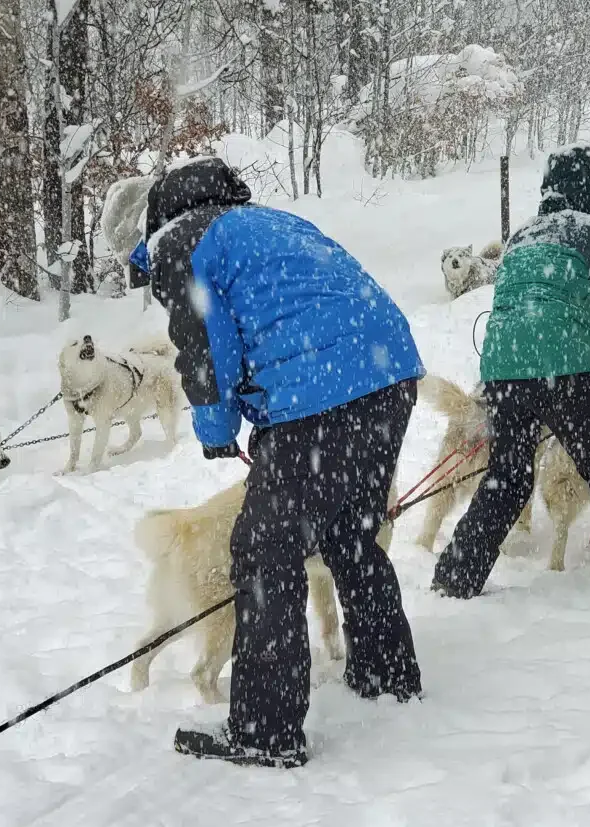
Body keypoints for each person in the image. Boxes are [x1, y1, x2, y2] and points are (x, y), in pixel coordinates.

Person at [132, 157, 425, 769]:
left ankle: (266, 730)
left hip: (318, 390)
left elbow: (207, 345)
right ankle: (387, 674)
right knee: (351, 533)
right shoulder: (269, 223)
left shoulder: (183, 240)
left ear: (162, 214)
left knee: (265, 551)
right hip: (389, 370)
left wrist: (216, 430)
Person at [430, 144, 590, 608]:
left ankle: (455, 576)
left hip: (504, 371)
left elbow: (516, 307)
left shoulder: (521, 237)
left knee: (507, 477)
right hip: (566, 371)